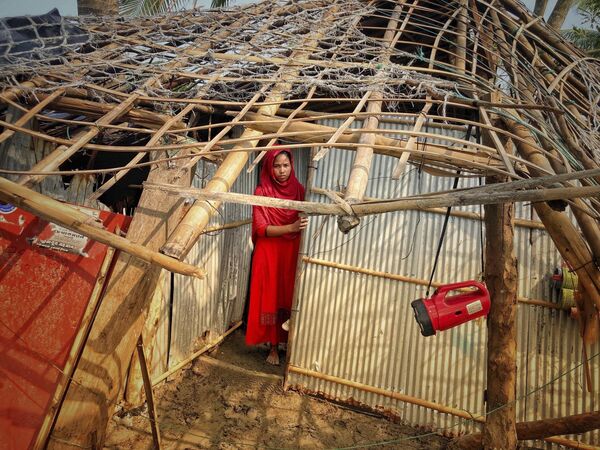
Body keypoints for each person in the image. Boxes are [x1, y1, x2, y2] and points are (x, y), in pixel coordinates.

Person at [245, 147, 308, 365]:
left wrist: (297, 227)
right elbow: (262, 228)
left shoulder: (300, 191)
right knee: (269, 295)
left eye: (285, 165)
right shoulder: (261, 192)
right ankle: (272, 346)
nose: (282, 170)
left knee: (288, 295)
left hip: (291, 250)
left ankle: (286, 343)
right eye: (277, 165)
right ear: (269, 168)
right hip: (269, 250)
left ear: (292, 166)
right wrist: (291, 227)